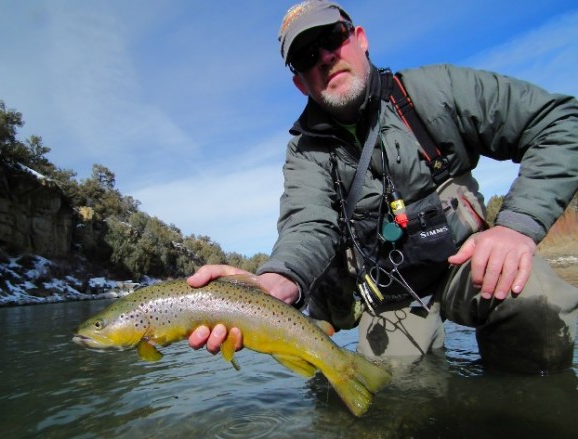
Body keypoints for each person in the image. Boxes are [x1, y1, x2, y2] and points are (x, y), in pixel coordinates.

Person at [188, 0, 578, 374]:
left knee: (536, 302)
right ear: (299, 83)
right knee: (394, 397)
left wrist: (517, 225)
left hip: (464, 265)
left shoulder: (435, 92)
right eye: (306, 55)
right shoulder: (305, 153)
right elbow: (308, 225)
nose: (324, 56)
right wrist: (279, 279)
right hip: (390, 295)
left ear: (359, 38)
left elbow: (560, 123)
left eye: (332, 38)